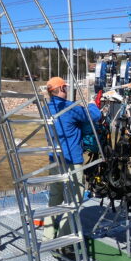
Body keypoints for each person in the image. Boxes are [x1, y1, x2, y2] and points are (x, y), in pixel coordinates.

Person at [44, 77, 101, 243]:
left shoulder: (45, 108)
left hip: (54, 160)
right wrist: (92, 103)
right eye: (65, 88)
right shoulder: (70, 108)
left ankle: (47, 237)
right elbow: (93, 116)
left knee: (55, 198)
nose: (67, 90)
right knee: (73, 200)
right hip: (72, 161)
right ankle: (63, 241)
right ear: (61, 88)